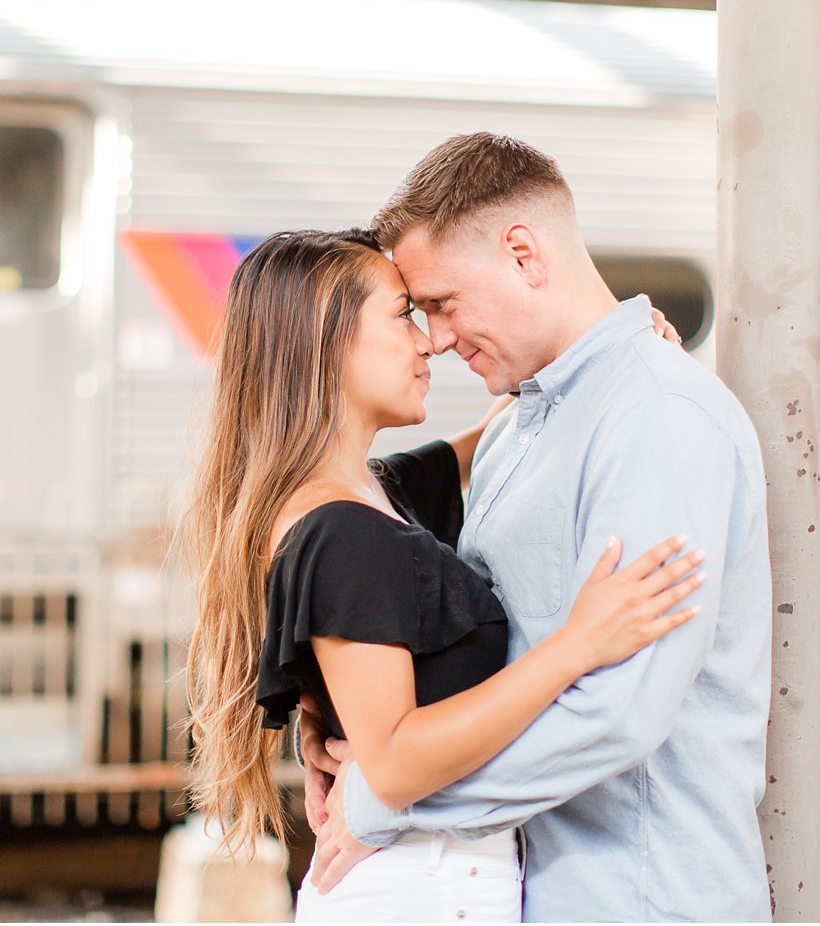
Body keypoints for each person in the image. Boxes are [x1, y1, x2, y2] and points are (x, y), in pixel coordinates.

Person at [302, 133, 773, 922]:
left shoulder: (658, 417)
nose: (438, 338)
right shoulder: (518, 430)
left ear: (523, 253)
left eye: (444, 304)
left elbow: (621, 711)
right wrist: (333, 722)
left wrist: (388, 798)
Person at [180, 227, 705, 922]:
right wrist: (578, 644)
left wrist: (607, 352)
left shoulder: (372, 496)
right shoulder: (343, 533)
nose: (428, 340)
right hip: (418, 889)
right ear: (323, 339)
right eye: (402, 315)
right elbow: (394, 763)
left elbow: (507, 425)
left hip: (431, 879)